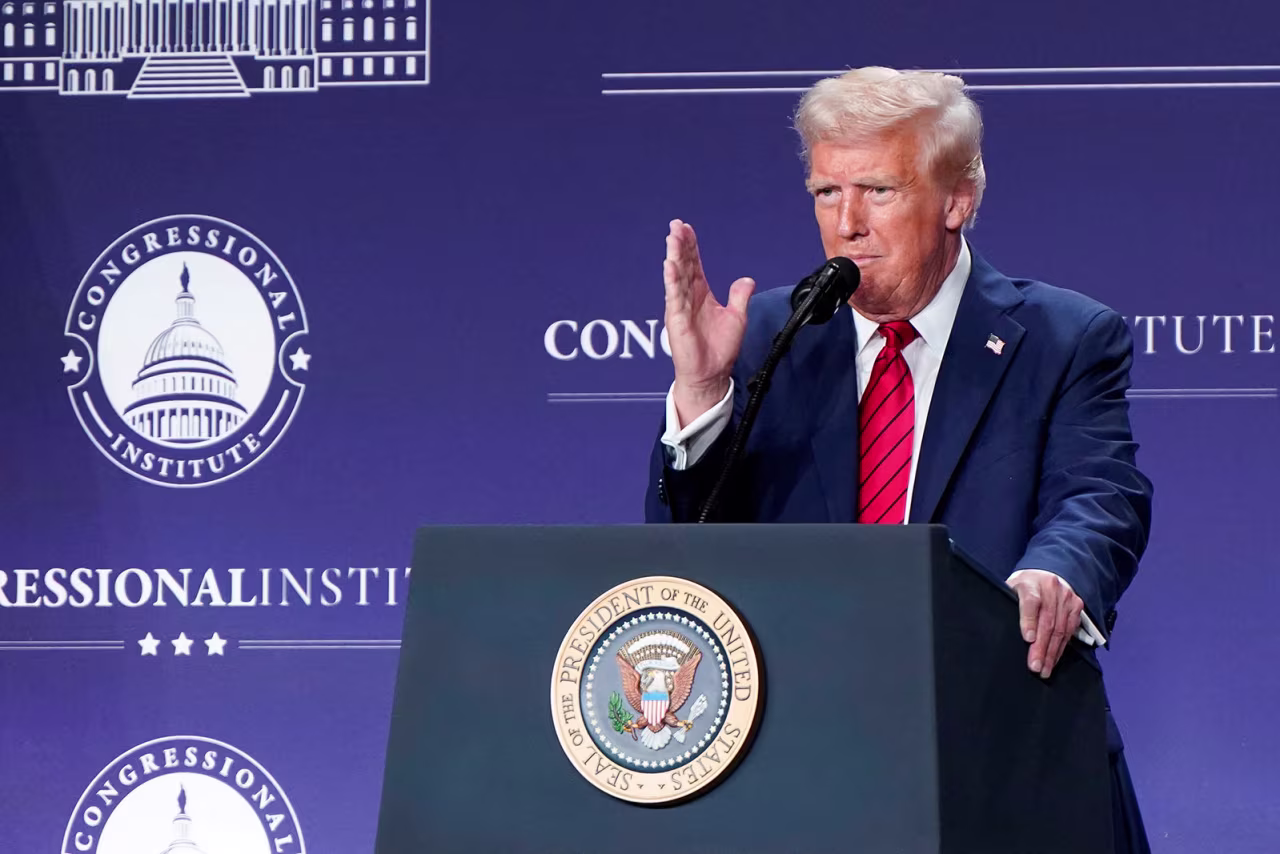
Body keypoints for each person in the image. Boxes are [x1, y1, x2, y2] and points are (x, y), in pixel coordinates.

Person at [644, 66, 1153, 853]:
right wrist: (705, 389)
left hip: (1003, 760)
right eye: (825, 193)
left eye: (878, 190)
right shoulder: (769, 333)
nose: (846, 224)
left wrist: (1059, 573)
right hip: (797, 775)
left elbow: (1100, 494)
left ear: (958, 198)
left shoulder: (1065, 338)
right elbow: (685, 551)